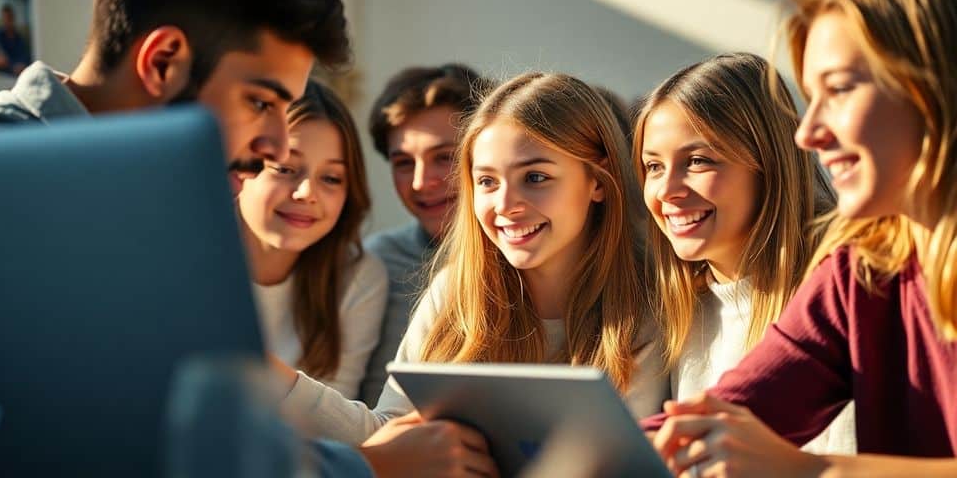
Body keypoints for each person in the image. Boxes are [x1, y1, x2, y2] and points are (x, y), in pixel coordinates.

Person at [0, 0, 479, 476]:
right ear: (164, 61)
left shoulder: (159, 206)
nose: (274, 149)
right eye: (261, 102)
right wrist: (369, 466)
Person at [648, 0, 957, 476]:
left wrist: (810, 471)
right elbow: (726, 414)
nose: (808, 133)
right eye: (810, 98)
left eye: (838, 90)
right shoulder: (861, 273)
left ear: (933, 85)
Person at [270, 72, 666, 459]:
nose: (505, 204)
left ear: (598, 179)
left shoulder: (648, 304)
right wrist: (270, 376)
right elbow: (393, 436)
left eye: (535, 177)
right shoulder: (456, 293)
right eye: (487, 182)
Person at [634, 52, 853, 455]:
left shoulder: (846, 293)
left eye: (697, 161)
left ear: (767, 163)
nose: (666, 191)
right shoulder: (676, 315)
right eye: (653, 166)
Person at [239, 80, 387, 399]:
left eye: (331, 178)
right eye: (285, 168)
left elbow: (336, 424)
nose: (307, 193)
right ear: (241, 170)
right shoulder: (184, 260)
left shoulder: (358, 276)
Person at [359, 63, 484, 407]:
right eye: (403, 163)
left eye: (444, 157)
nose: (420, 182)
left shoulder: (533, 262)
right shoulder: (375, 262)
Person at [0, 4, 32, 75]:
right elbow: (0, 58)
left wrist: (22, 66)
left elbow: (26, 57)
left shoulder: (19, 38)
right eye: (5, 18)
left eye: (10, 18)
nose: (8, 21)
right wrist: (13, 66)